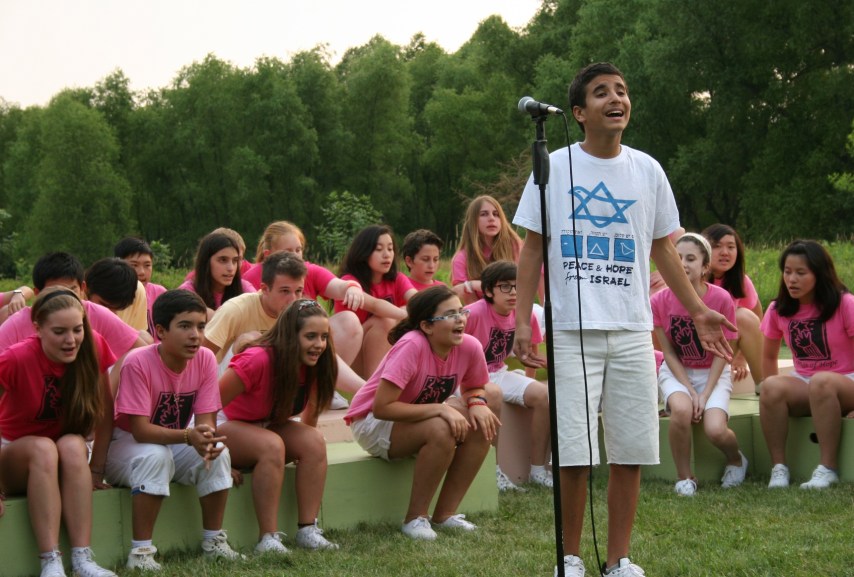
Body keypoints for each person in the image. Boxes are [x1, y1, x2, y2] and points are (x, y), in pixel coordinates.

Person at [512, 62, 734, 577]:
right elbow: (531, 250)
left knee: (630, 449)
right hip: (571, 331)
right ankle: (569, 558)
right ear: (577, 113)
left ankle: (618, 560)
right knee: (576, 452)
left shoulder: (647, 170)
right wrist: (524, 322)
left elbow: (663, 250)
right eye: (601, 93)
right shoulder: (554, 167)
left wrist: (699, 310)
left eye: (622, 91)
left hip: (633, 331)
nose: (616, 99)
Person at [344, 285, 501, 541]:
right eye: (450, 314)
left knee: (485, 410)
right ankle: (415, 518)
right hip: (372, 423)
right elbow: (382, 407)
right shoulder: (411, 346)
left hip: (416, 416)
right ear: (427, 326)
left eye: (462, 312)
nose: (460, 319)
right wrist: (441, 409)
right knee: (442, 427)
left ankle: (446, 514)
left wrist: (478, 404)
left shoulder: (469, 345)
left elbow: (475, 388)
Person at [104, 290, 241, 570]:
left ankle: (213, 542)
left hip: (172, 440)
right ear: (161, 331)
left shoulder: (204, 359)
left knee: (219, 452)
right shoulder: (137, 362)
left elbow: (205, 420)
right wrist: (190, 436)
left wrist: (204, 440)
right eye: (185, 326)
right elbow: (140, 431)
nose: (195, 335)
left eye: (201, 326)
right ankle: (140, 553)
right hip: (126, 444)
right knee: (155, 456)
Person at [0, 288, 117, 577]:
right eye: (59, 332)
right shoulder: (15, 358)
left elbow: (105, 414)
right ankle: (50, 561)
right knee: (43, 447)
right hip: (13, 455)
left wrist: (96, 469)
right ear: (38, 328)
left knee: (72, 445)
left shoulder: (93, 347)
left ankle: (82, 558)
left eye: (77, 329)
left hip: (59, 453)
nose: (71, 340)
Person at [218, 299, 339, 553]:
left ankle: (308, 529)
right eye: (310, 336)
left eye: (323, 336)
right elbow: (207, 405)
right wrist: (215, 455)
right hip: (224, 423)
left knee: (314, 441)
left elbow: (311, 414)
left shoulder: (315, 363)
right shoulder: (257, 360)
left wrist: (305, 451)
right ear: (290, 336)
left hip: (264, 424)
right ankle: (268, 538)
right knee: (272, 445)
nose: (319, 344)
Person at [652, 233, 745, 496]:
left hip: (713, 373)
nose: (682, 263)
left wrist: (704, 394)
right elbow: (668, 352)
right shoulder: (658, 301)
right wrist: (690, 392)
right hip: (677, 372)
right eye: (677, 257)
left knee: (716, 430)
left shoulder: (721, 299)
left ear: (705, 267)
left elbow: (722, 353)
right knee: (681, 411)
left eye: (690, 258)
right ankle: (684, 477)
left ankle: (736, 459)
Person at [759, 240, 854, 490]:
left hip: (848, 381)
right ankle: (779, 469)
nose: (792, 279)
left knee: (822, 380)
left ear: (819, 274)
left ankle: (827, 468)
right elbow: (768, 357)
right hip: (807, 383)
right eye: (787, 272)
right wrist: (769, 396)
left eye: (801, 273)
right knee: (770, 386)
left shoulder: (845, 304)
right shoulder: (778, 309)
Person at [464, 260, 552, 491]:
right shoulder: (472, 314)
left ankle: (538, 470)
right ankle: (494, 472)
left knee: (544, 395)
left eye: (517, 286)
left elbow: (530, 354)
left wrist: (528, 370)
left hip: (498, 372)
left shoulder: (525, 315)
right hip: (467, 379)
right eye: (505, 286)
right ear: (488, 290)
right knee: (491, 396)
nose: (513, 292)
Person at [0, 252, 149, 359]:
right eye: (58, 331)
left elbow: (144, 354)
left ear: (83, 288)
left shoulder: (96, 313)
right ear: (38, 293)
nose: (64, 297)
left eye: (72, 290)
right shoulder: (18, 322)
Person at [335, 225, 414, 379]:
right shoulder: (349, 283)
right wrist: (406, 313)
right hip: (352, 356)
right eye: (379, 249)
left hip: (388, 348)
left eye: (390, 249)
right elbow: (376, 306)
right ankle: (374, 388)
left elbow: (416, 299)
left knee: (400, 316)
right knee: (384, 320)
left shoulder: (397, 279)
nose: (387, 255)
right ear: (364, 253)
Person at [702, 224, 765, 392]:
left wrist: (741, 358)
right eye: (717, 246)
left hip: (721, 352)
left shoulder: (741, 282)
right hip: (690, 349)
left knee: (744, 316)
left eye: (731, 247)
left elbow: (757, 321)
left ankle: (763, 387)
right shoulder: (687, 279)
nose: (725, 252)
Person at [451, 195, 523, 305]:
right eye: (484, 214)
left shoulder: (515, 246)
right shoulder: (461, 258)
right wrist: (471, 286)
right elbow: (472, 307)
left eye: (496, 214)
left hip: (516, 310)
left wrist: (475, 285)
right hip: (482, 314)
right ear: (473, 221)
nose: (491, 218)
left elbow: (526, 285)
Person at [179, 230, 254, 319]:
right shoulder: (187, 291)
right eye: (223, 260)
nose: (231, 268)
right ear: (206, 261)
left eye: (235, 261)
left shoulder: (244, 288)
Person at [114, 237, 168, 340]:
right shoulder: (111, 295)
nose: (142, 272)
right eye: (134, 265)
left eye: (147, 265)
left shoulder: (160, 293)